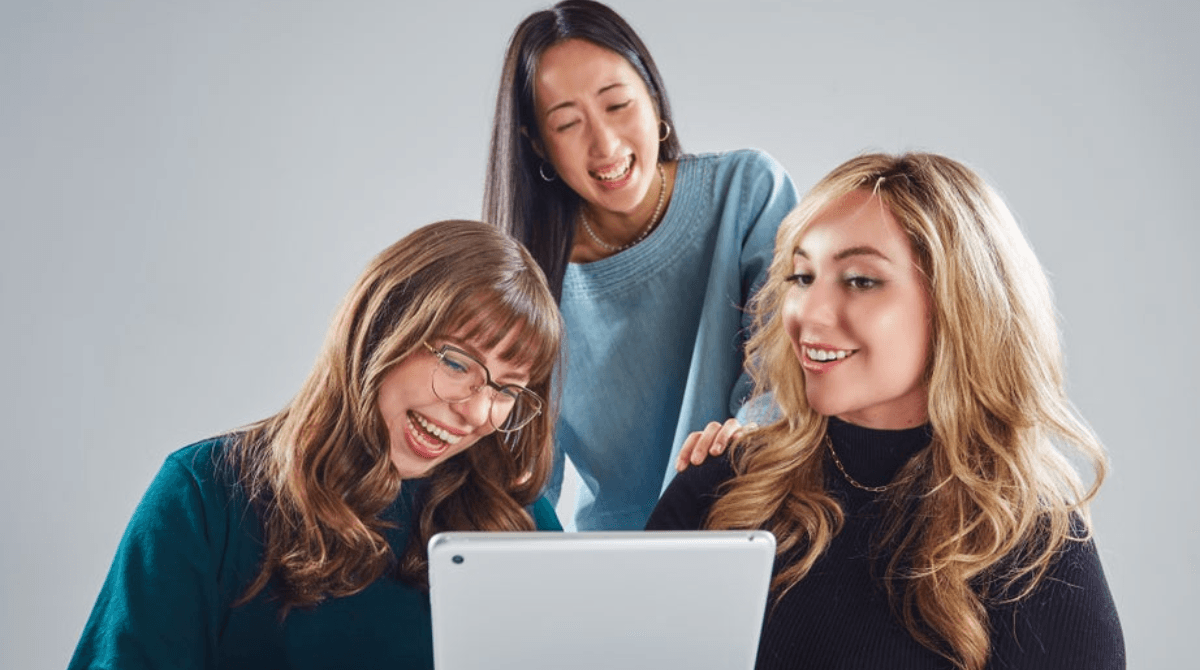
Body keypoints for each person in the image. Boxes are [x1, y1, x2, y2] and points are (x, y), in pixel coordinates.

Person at [647, 153, 1125, 669]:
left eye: (860, 280)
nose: (809, 313)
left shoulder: (1032, 542)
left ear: (956, 303)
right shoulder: (719, 488)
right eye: (803, 277)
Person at [68, 220, 564, 670]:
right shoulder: (206, 495)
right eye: (457, 363)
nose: (477, 413)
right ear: (382, 327)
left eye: (506, 389)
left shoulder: (516, 520)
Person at [483, 0, 799, 530]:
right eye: (567, 124)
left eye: (617, 105)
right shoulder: (532, 278)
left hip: (750, 521)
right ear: (537, 144)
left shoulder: (748, 192)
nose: (604, 144)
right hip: (618, 561)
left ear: (653, 98)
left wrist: (732, 465)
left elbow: (783, 376)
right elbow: (524, 478)